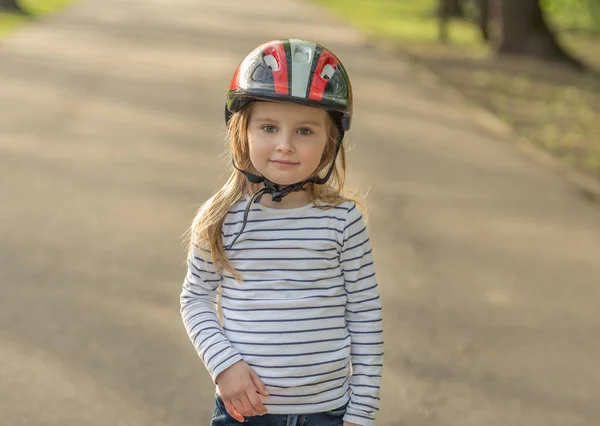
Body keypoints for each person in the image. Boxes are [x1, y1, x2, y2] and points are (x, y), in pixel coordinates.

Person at [180, 38, 384, 426]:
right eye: (269, 127)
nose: (285, 146)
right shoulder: (220, 218)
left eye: (305, 131)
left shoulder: (342, 220)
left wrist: (363, 409)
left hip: (327, 411)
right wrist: (224, 366)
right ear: (243, 131)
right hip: (245, 412)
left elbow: (365, 314)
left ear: (330, 141)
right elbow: (195, 300)